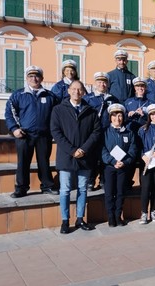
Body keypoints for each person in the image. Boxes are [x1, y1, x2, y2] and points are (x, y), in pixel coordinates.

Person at [50, 80, 101, 234]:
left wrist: (83, 149)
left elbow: (96, 132)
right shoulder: (58, 110)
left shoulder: (91, 111)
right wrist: (72, 150)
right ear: (68, 91)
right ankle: (65, 221)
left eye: (80, 89)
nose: (76, 92)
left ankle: (80, 219)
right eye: (74, 89)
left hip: (85, 157)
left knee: (82, 189)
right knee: (65, 190)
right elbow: (56, 132)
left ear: (83, 92)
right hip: (66, 156)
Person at [5, 65, 58, 198]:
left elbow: (56, 116)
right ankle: (21, 188)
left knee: (44, 161)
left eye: (37, 76)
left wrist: (53, 131)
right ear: (27, 78)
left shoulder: (50, 96)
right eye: (31, 76)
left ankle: (47, 186)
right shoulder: (18, 95)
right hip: (24, 135)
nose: (34, 78)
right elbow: (9, 113)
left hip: (44, 135)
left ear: (42, 78)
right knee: (23, 162)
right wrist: (14, 129)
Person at [101, 104, 137, 227]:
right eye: (115, 116)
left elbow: (133, 150)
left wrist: (125, 161)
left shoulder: (129, 133)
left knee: (121, 192)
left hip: (123, 167)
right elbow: (102, 149)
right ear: (110, 117)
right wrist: (112, 161)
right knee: (110, 193)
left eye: (120, 115)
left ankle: (118, 215)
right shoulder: (105, 132)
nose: (117, 118)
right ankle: (111, 217)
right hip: (109, 167)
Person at [83, 72, 120, 190]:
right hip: (92, 132)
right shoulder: (88, 98)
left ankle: (104, 180)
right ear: (95, 83)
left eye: (104, 82)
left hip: (107, 132)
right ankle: (90, 180)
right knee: (92, 157)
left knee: (106, 156)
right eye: (99, 82)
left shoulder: (113, 99)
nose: (102, 84)